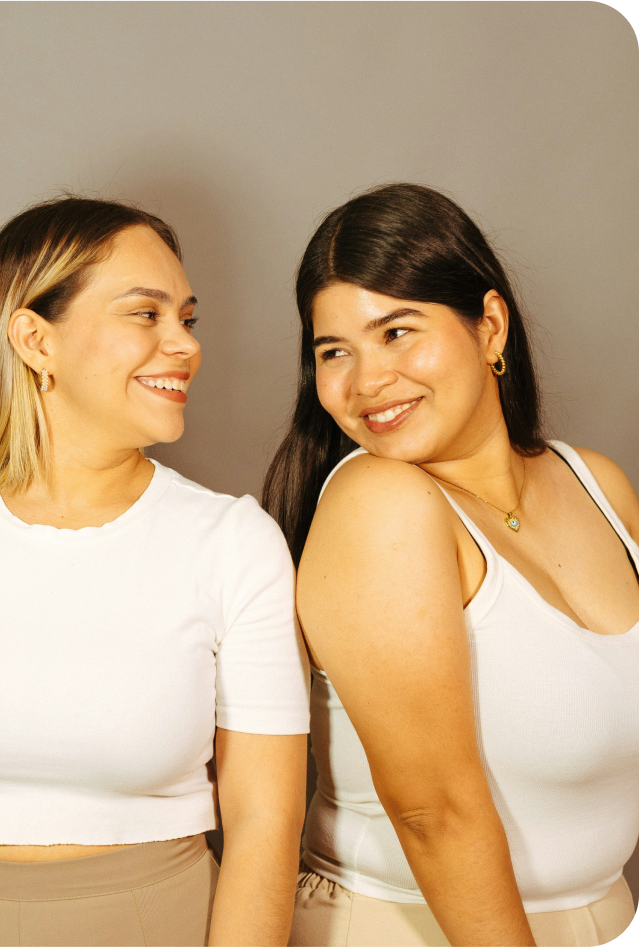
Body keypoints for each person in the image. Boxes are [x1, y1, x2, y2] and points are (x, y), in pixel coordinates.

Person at [0, 196, 311, 947]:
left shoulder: (233, 542)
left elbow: (265, 822)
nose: (184, 344)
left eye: (187, 319)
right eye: (145, 314)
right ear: (34, 340)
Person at [263, 183, 639, 947]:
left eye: (397, 332)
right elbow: (432, 811)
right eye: (334, 351)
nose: (366, 381)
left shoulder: (595, 482)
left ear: (489, 325)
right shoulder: (381, 503)